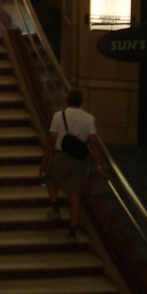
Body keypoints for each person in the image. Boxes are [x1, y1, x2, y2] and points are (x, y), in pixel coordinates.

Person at [39, 89, 107, 244]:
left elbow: (51, 140)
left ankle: (55, 208)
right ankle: (72, 232)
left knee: (49, 179)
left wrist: (44, 161)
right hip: (79, 160)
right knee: (75, 195)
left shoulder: (58, 116)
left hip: (61, 156)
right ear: (81, 102)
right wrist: (99, 165)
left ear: (67, 101)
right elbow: (94, 141)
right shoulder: (89, 118)